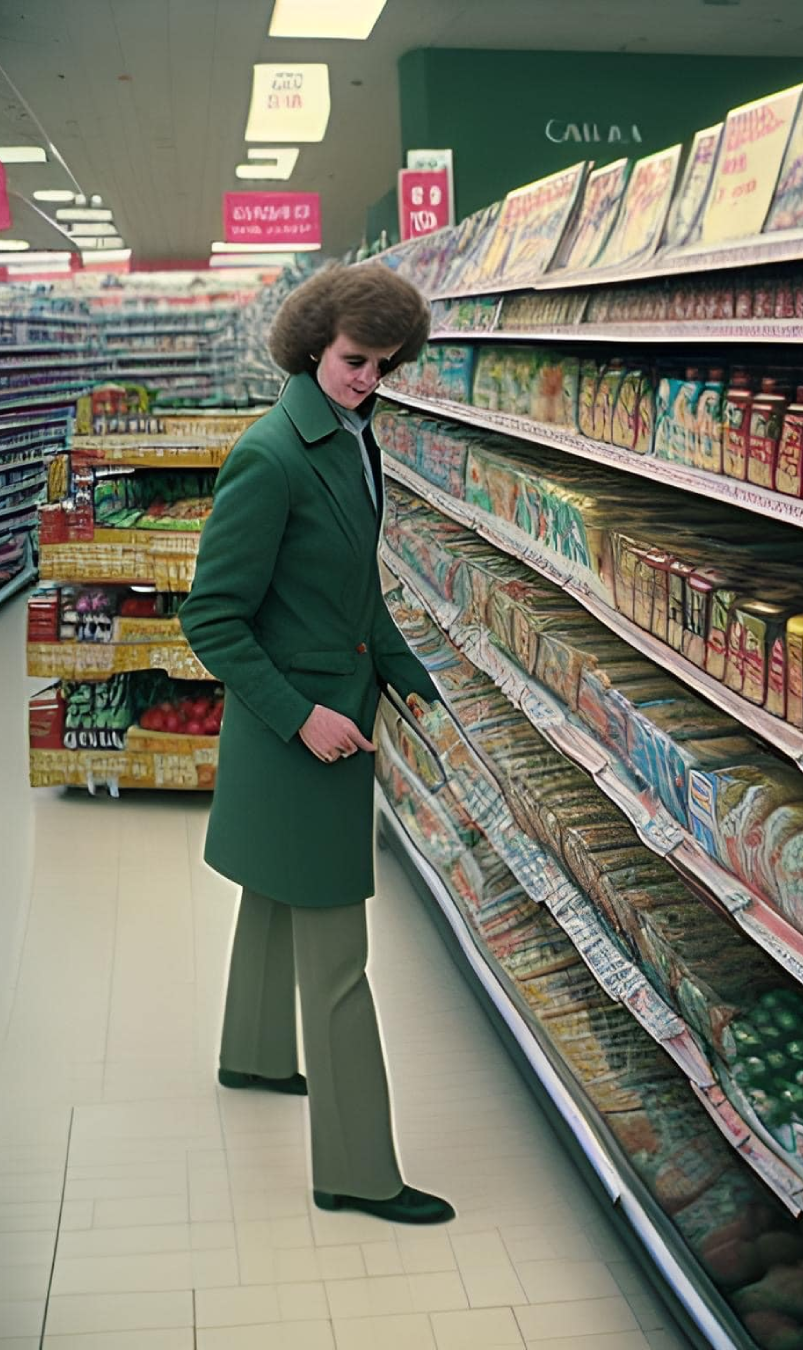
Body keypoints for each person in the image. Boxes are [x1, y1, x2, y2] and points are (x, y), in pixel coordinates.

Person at [179, 264, 455, 1226]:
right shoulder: (272, 456)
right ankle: (358, 1171)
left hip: (324, 715)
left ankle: (252, 1054)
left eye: (383, 364)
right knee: (337, 964)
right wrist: (303, 714)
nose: (368, 379)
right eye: (353, 359)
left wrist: (405, 671)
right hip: (301, 736)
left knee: (273, 895)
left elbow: (352, 589)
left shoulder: (350, 443)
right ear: (310, 346)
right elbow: (212, 618)